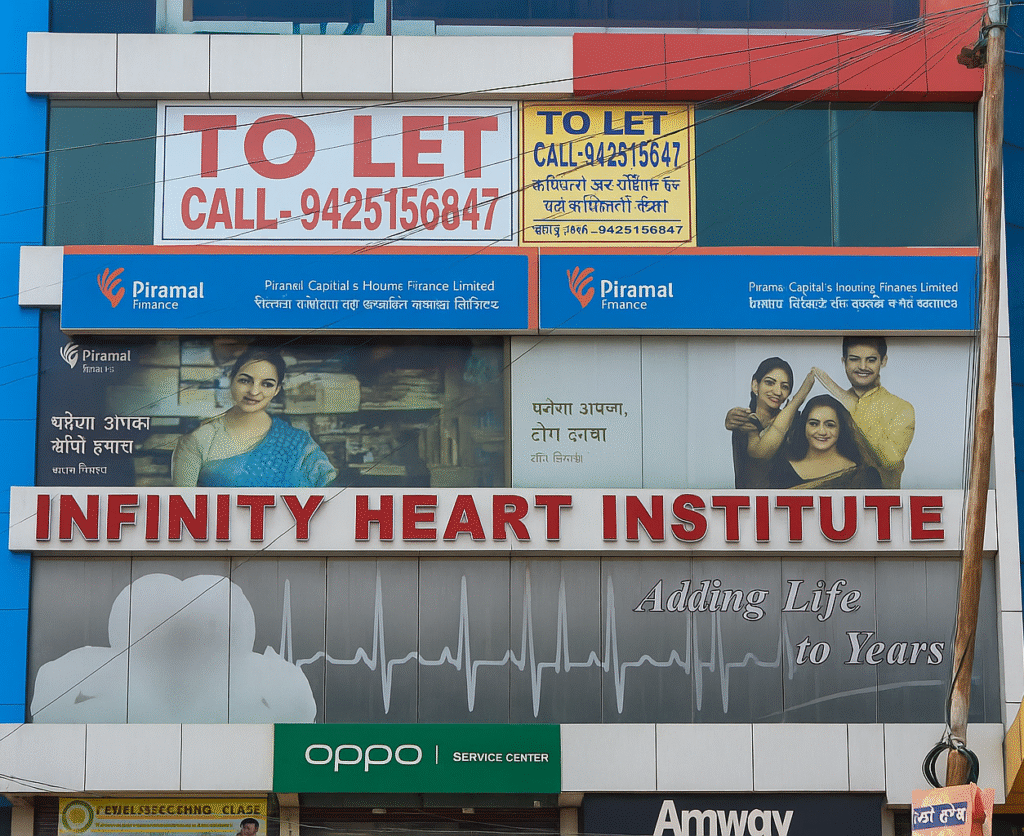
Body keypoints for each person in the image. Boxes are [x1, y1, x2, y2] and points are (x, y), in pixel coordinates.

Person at [172, 347, 337, 488]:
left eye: (267, 384)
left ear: (277, 390)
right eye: (245, 381)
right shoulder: (197, 441)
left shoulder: (299, 443)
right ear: (231, 379)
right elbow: (182, 508)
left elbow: (332, 498)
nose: (254, 391)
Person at [811, 336, 915, 488]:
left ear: (883, 361)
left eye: (871, 360)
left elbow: (891, 460)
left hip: (880, 505)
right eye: (854, 359)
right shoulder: (832, 407)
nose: (863, 366)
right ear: (844, 361)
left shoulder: (901, 408)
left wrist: (853, 406)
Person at [725, 357, 815, 488]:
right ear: (756, 386)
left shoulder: (796, 422)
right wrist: (799, 397)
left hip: (792, 503)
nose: (778, 392)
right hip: (752, 504)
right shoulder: (744, 420)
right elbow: (761, 454)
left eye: (784, 387)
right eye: (770, 383)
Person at [769, 394, 882, 489]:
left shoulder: (861, 474)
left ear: (840, 428)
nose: (822, 431)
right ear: (804, 426)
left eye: (830, 425)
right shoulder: (782, 468)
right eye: (814, 424)